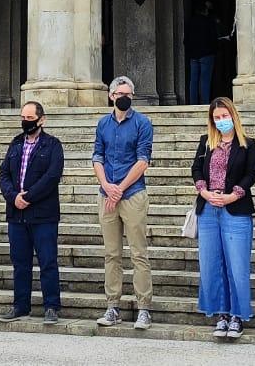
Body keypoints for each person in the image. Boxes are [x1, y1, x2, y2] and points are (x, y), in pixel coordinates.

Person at [189, 97, 255, 341]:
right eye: (217, 117)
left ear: (233, 116)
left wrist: (233, 195)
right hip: (209, 208)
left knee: (236, 265)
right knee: (211, 264)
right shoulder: (206, 142)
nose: (221, 121)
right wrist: (204, 191)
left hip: (235, 208)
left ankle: (237, 315)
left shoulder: (247, 144)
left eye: (224, 116)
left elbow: (252, 173)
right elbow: (196, 169)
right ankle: (221, 314)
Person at [93, 75, 155, 330]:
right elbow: (97, 156)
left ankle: (144, 308)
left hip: (133, 193)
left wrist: (119, 188)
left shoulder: (142, 122)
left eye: (128, 94)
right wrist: (107, 186)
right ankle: (112, 306)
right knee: (112, 254)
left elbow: (143, 160)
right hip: (107, 194)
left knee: (138, 253)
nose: (125, 98)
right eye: (120, 94)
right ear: (111, 96)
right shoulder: (103, 124)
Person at [0, 101, 64, 324]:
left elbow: (52, 176)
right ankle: (20, 305)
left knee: (48, 261)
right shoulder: (16, 143)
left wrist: (28, 196)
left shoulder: (52, 145)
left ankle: (51, 306)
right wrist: (13, 196)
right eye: (23, 118)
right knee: (20, 263)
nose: (25, 122)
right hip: (17, 215)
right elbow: (4, 174)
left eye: (30, 118)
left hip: (43, 215)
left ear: (41, 119)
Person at [184, 1, 222, 105]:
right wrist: (215, 50)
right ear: (205, 10)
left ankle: (193, 104)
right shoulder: (209, 22)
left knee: (193, 81)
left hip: (193, 55)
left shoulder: (190, 22)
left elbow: (185, 40)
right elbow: (214, 38)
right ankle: (204, 103)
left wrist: (190, 52)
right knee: (205, 80)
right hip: (207, 54)